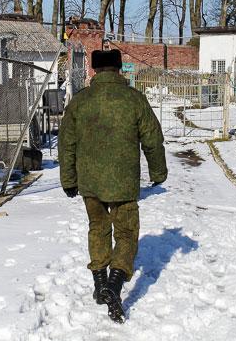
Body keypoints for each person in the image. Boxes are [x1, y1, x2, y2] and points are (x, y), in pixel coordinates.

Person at [58, 48, 167, 323]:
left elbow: (66, 144)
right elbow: (153, 139)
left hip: (90, 182)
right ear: (119, 69)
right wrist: (158, 173)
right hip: (124, 183)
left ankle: (99, 284)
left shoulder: (80, 102)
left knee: (98, 228)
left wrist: (69, 180)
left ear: (94, 70)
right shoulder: (134, 100)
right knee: (127, 233)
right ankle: (115, 285)